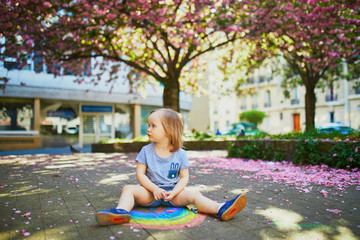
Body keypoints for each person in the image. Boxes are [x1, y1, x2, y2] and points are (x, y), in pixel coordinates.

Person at [95, 108, 247, 225]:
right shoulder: (146, 151)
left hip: (173, 195)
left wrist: (174, 192)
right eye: (148, 125)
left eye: (153, 126)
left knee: (194, 194)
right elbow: (140, 175)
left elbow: (184, 177)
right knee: (128, 189)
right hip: (150, 193)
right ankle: (121, 212)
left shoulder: (180, 153)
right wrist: (154, 189)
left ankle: (219, 209)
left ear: (168, 131)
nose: (148, 129)